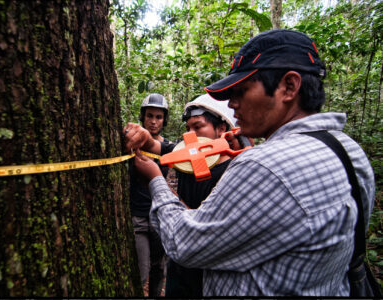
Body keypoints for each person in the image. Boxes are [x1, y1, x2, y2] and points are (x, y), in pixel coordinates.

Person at [126, 29, 375, 296]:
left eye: (241, 91)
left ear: (289, 87)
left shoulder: (263, 166)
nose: (232, 105)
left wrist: (155, 180)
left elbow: (183, 244)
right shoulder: (347, 150)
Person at [125, 94, 239, 297]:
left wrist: (154, 180)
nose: (190, 136)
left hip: (208, 274)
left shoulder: (235, 174)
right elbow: (154, 146)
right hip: (179, 271)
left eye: (198, 128)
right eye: (188, 129)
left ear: (222, 129)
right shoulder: (186, 155)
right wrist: (141, 135)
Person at [129, 93, 170, 297]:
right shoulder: (131, 145)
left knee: (159, 269)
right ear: (143, 117)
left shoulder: (168, 148)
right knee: (142, 272)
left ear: (164, 120)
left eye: (159, 117)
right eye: (150, 116)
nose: (153, 122)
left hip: (159, 217)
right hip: (138, 216)